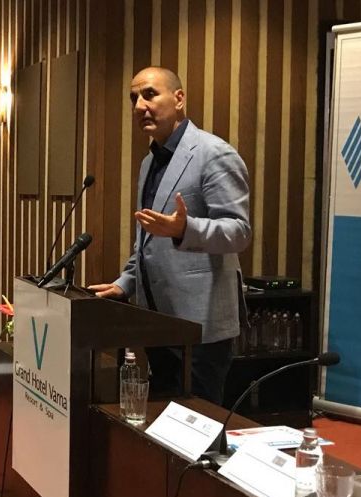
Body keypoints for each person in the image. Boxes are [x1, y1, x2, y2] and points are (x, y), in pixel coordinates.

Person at [89, 67, 252, 405]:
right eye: (134, 98)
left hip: (201, 325)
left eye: (150, 94)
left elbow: (238, 231)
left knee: (199, 421)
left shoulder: (214, 153)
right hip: (158, 321)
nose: (139, 106)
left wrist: (185, 229)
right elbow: (147, 238)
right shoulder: (149, 162)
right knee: (164, 419)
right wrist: (126, 283)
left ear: (179, 99)